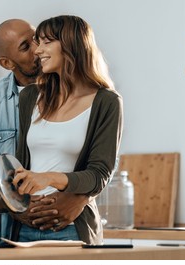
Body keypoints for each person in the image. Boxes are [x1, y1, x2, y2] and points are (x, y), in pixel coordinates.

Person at [0, 19, 89, 239]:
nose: (38, 49)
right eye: (26, 47)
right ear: (7, 63)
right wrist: (14, 203)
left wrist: (78, 199)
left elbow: (105, 161)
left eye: (37, 38)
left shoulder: (80, 92)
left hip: (74, 222)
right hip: (14, 229)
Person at [12, 15, 123, 244]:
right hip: (24, 228)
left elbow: (99, 175)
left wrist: (49, 179)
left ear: (71, 44)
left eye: (46, 42)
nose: (37, 51)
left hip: (73, 229)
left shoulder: (106, 102)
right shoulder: (29, 97)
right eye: (37, 42)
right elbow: (20, 166)